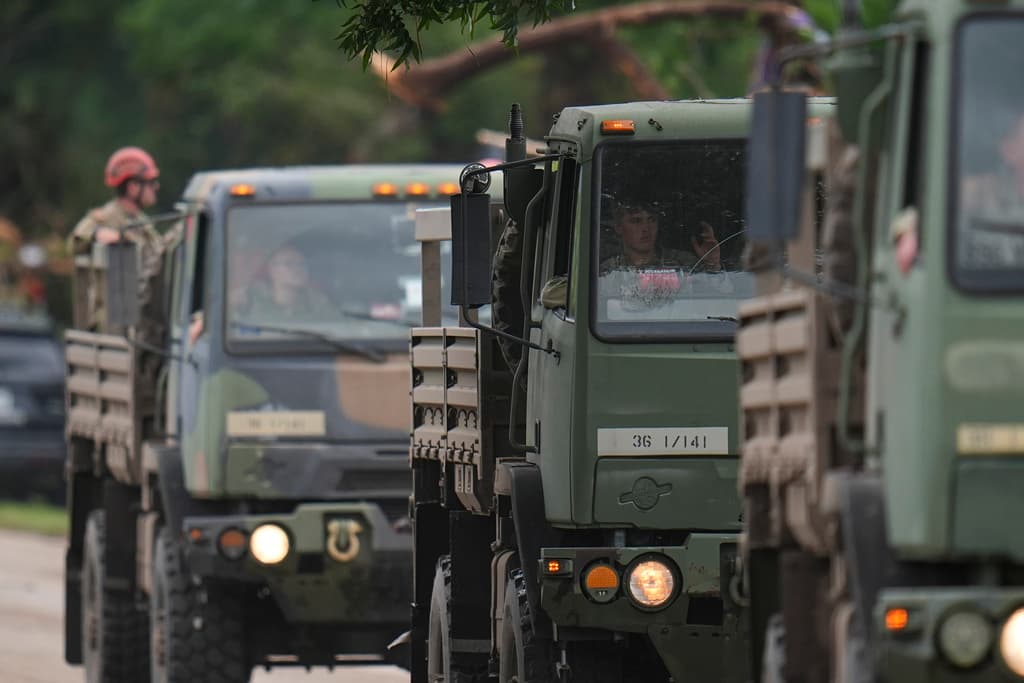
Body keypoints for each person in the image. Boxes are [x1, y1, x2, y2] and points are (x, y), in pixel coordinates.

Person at [67, 146, 178, 333]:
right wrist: (99, 235)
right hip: (119, 321)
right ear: (133, 187)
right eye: (151, 182)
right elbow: (75, 241)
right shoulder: (106, 217)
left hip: (144, 313)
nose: (156, 187)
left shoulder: (142, 222)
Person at [232, 245, 338, 325]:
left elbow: (339, 327)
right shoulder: (249, 297)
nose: (298, 269)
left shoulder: (317, 300)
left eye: (302, 264)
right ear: (272, 269)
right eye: (289, 263)